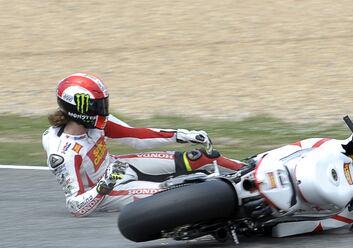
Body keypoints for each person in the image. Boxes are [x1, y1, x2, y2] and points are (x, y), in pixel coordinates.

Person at [42, 73, 244, 217]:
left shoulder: (95, 124)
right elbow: (76, 206)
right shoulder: (63, 154)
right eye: (98, 105)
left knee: (199, 158)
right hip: (107, 193)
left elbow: (135, 136)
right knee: (180, 191)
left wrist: (180, 135)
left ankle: (249, 170)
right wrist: (105, 185)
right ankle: (237, 205)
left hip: (119, 167)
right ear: (80, 108)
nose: (103, 110)